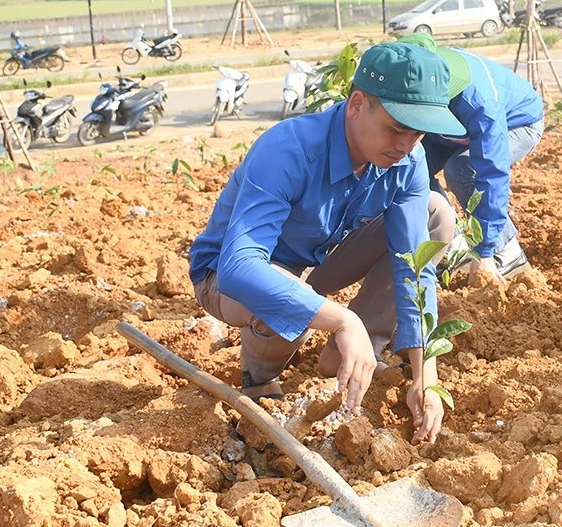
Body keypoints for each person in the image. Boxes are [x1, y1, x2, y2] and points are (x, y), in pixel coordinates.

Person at [187, 42, 465, 442]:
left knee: (435, 213)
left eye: (418, 134)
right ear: (356, 105)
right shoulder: (289, 149)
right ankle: (259, 377)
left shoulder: (404, 160)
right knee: (288, 302)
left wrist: (426, 375)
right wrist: (341, 318)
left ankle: (354, 355)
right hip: (227, 274)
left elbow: (412, 264)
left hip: (317, 261)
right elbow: (239, 267)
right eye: (397, 128)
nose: (406, 145)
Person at [398, 33, 545, 281]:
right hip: (451, 132)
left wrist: (484, 250)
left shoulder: (478, 100)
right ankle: (454, 247)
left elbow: (492, 171)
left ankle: (508, 253)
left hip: (517, 124)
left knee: (462, 168)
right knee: (414, 170)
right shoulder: (414, 80)